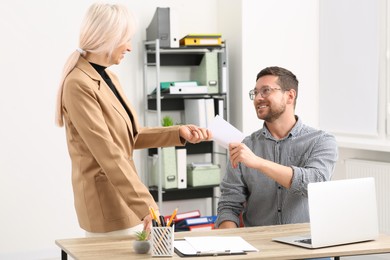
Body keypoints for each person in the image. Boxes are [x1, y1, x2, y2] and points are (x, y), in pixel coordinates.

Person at [55, 3, 211, 236]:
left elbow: (131, 135)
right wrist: (147, 206)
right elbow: (108, 152)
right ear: (107, 38)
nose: (129, 47)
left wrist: (178, 133)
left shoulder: (109, 77)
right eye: (126, 39)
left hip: (126, 198)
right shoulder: (78, 84)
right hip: (106, 204)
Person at [215, 66, 338, 229]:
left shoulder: (321, 141)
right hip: (259, 247)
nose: (258, 98)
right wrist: (230, 245)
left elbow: (315, 182)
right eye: (256, 92)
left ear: (290, 96)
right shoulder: (246, 146)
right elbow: (229, 205)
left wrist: (259, 163)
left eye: (266, 91)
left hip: (309, 244)